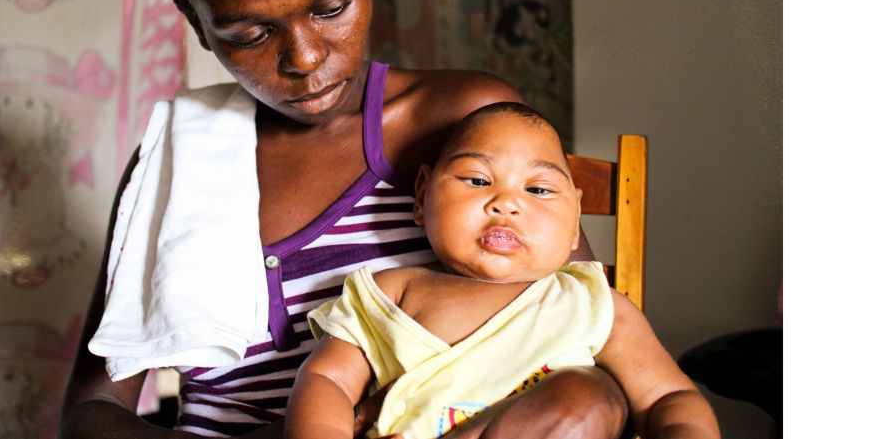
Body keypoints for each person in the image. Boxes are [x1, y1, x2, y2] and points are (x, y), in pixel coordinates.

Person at [60, 0, 628, 437]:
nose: (304, 58)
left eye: (331, 6)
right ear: (198, 25)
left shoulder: (462, 122)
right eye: (250, 34)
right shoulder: (177, 162)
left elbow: (589, 341)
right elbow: (94, 411)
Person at [286, 103, 719, 439]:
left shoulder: (594, 304)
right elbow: (326, 380)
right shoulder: (392, 292)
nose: (507, 203)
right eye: (477, 180)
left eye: (539, 190)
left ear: (575, 223)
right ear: (422, 196)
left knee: (584, 396)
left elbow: (669, 396)